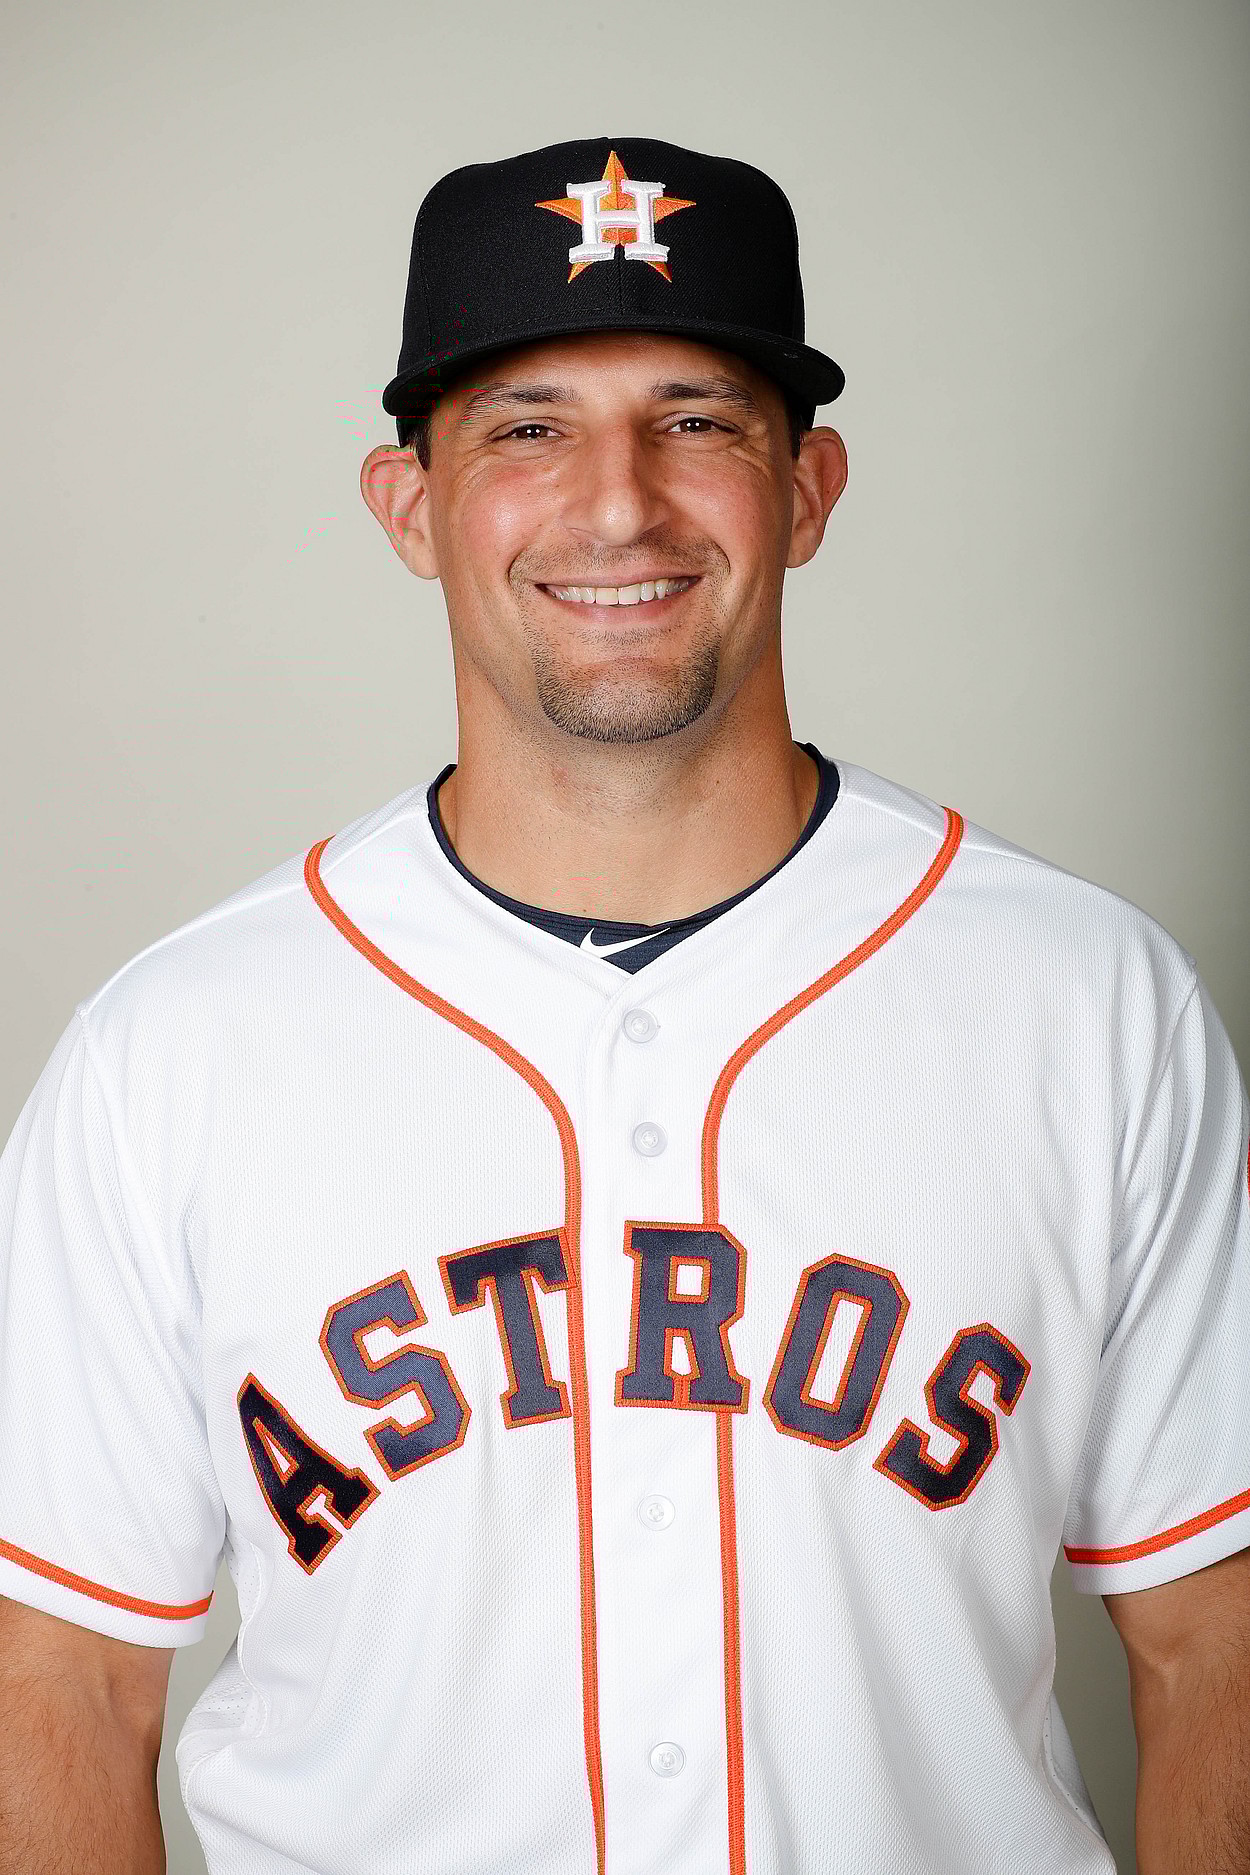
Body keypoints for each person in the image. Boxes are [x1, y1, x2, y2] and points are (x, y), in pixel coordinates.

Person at [0, 136, 1247, 1875]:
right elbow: (61, 1681)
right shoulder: (172, 1050)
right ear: (408, 503)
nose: (616, 504)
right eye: (524, 425)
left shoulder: (1090, 1000)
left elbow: (1214, 1647)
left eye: (696, 418)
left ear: (805, 489)